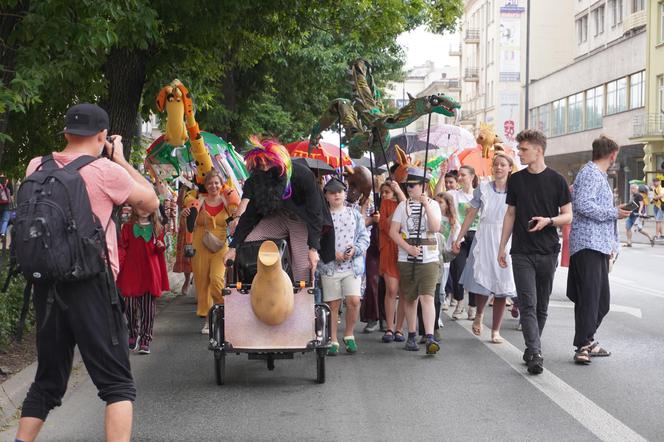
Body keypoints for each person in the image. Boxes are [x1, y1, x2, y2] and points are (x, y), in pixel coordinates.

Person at [17, 103, 159, 442]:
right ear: (101, 137)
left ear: (66, 133)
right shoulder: (106, 171)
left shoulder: (36, 165)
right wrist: (120, 158)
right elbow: (150, 201)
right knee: (117, 384)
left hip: (46, 283)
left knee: (48, 381)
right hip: (91, 284)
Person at [498, 129, 572, 375]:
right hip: (521, 252)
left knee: (541, 306)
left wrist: (549, 221)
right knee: (528, 304)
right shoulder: (517, 180)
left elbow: (568, 215)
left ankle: (532, 347)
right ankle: (536, 352)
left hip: (548, 250)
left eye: (524, 149)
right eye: (519, 149)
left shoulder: (557, 180)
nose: (519, 153)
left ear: (538, 150)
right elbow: (511, 214)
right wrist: (502, 246)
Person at [225, 138, 334, 284]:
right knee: (249, 244)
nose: (264, 168)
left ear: (278, 162)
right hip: (278, 218)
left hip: (301, 221)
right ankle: (268, 285)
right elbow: (250, 215)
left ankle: (300, 300)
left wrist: (313, 248)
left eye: (268, 163)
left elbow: (315, 213)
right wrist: (233, 246)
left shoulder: (302, 175)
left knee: (302, 267)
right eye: (260, 165)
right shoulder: (258, 179)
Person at [567, 136, 631, 364]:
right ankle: (583, 344)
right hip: (588, 243)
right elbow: (582, 205)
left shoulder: (595, 174)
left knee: (597, 299)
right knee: (592, 298)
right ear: (613, 154)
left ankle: (587, 340)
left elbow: (590, 205)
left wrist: (613, 213)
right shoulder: (591, 173)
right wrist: (614, 213)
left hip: (596, 244)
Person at [454, 153, 516, 343]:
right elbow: (471, 214)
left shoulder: (515, 189)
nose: (498, 168)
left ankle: (495, 330)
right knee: (482, 282)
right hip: (485, 237)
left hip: (506, 238)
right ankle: (479, 313)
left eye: (503, 165)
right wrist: (459, 237)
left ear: (509, 168)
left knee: (501, 286)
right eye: (496, 164)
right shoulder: (483, 189)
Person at [389, 168, 442, 354]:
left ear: (423, 186)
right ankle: (411, 334)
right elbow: (393, 232)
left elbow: (435, 228)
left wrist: (426, 205)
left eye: (413, 185)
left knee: (428, 296)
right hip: (406, 257)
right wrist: (408, 248)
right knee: (410, 297)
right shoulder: (402, 207)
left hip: (429, 258)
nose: (409, 188)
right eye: (407, 185)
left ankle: (429, 337)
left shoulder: (434, 205)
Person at [318, 178, 370, 355]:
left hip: (352, 266)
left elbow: (364, 237)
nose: (336, 195)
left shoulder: (354, 213)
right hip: (330, 266)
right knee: (332, 304)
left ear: (345, 193)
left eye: (339, 191)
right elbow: (316, 242)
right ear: (326, 195)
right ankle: (333, 340)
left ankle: (349, 335)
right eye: (332, 192)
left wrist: (356, 249)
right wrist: (332, 254)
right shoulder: (322, 216)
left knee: (354, 300)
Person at [181, 170, 231, 333]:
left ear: (221, 184)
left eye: (216, 182)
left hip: (220, 246)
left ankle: (224, 313)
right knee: (202, 284)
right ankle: (209, 321)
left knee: (216, 280)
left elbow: (236, 219)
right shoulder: (199, 201)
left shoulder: (227, 201)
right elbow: (188, 224)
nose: (213, 186)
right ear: (205, 185)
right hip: (200, 244)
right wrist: (184, 214)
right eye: (210, 183)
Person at [116, 207, 170, 355]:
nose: (144, 209)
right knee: (130, 306)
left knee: (148, 308)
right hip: (131, 271)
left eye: (147, 205)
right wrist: (117, 266)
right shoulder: (127, 227)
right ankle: (133, 333)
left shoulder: (157, 227)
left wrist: (160, 247)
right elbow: (123, 248)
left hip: (149, 272)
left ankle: (146, 339)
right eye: (141, 205)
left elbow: (160, 248)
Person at [378, 180, 407, 343]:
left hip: (403, 248)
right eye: (383, 192)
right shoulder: (385, 204)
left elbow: (407, 205)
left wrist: (399, 193)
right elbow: (386, 225)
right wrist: (396, 209)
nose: (384, 195)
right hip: (389, 249)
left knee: (403, 291)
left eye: (387, 191)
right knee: (391, 289)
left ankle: (399, 329)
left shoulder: (405, 202)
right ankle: (389, 327)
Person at [449, 165, 479, 320]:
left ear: (472, 176)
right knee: (458, 270)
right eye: (458, 175)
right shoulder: (455, 195)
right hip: (459, 236)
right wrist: (442, 175)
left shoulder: (479, 195)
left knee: (474, 272)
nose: (459, 178)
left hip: (476, 236)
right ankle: (460, 302)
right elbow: (438, 194)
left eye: (463, 175)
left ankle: (473, 306)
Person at [435, 192, 459, 313]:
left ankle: (437, 318)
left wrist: (456, 245)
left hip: (444, 260)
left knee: (441, 290)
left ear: (448, 204)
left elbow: (455, 240)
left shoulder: (453, 221)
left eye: (441, 202)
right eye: (436, 202)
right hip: (431, 257)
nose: (438, 204)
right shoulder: (432, 217)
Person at [173, 183, 195, 295]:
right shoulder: (185, 186)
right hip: (186, 225)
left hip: (201, 225)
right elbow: (180, 204)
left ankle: (195, 280)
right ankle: (187, 280)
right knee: (187, 255)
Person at [0, 171, 12, 238]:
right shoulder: (8, 181)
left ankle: (0, 232)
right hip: (6, 203)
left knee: (0, 218)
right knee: (5, 219)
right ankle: (3, 233)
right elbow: (12, 193)